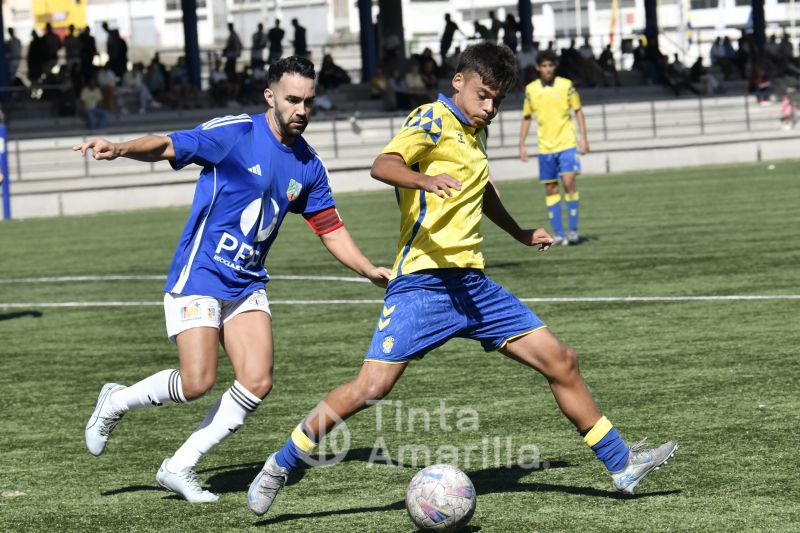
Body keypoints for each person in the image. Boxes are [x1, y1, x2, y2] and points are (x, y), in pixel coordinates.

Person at [246, 42, 678, 517]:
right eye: (482, 96)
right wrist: (424, 180)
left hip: (473, 287)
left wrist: (518, 232)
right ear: (459, 82)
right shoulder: (431, 119)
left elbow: (481, 188)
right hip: (423, 284)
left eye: (497, 100)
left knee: (562, 361)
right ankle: (281, 464)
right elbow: (383, 165)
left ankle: (621, 465)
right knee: (371, 389)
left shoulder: (475, 131)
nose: (489, 108)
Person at [75, 56, 390, 503]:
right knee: (196, 382)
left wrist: (367, 268)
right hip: (201, 273)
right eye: (292, 100)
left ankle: (179, 466)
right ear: (270, 96)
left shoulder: (309, 164)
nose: (301, 110)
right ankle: (116, 402)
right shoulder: (236, 133)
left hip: (246, 283)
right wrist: (122, 148)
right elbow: (168, 144)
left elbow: (329, 227)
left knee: (257, 381)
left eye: (308, 101)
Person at [518, 50, 589, 246]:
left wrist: (584, 138)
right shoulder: (531, 90)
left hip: (567, 144)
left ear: (554, 67)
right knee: (551, 188)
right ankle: (558, 234)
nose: (548, 69)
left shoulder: (566, 85)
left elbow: (578, 111)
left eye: (550, 65)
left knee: (569, 183)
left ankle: (573, 232)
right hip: (545, 148)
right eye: (544, 66)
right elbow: (527, 117)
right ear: (538, 68)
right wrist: (521, 144)